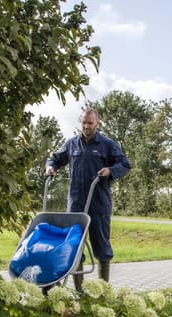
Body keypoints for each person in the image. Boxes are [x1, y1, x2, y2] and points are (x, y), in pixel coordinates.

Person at [45, 108, 131, 290]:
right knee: (75, 248)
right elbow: (54, 159)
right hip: (76, 204)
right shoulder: (71, 144)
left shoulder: (107, 144)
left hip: (99, 204)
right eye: (84, 122)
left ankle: (103, 292)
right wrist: (51, 167)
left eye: (90, 123)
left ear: (97, 124)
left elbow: (124, 164)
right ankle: (79, 293)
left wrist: (110, 171)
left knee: (102, 249)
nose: (86, 126)